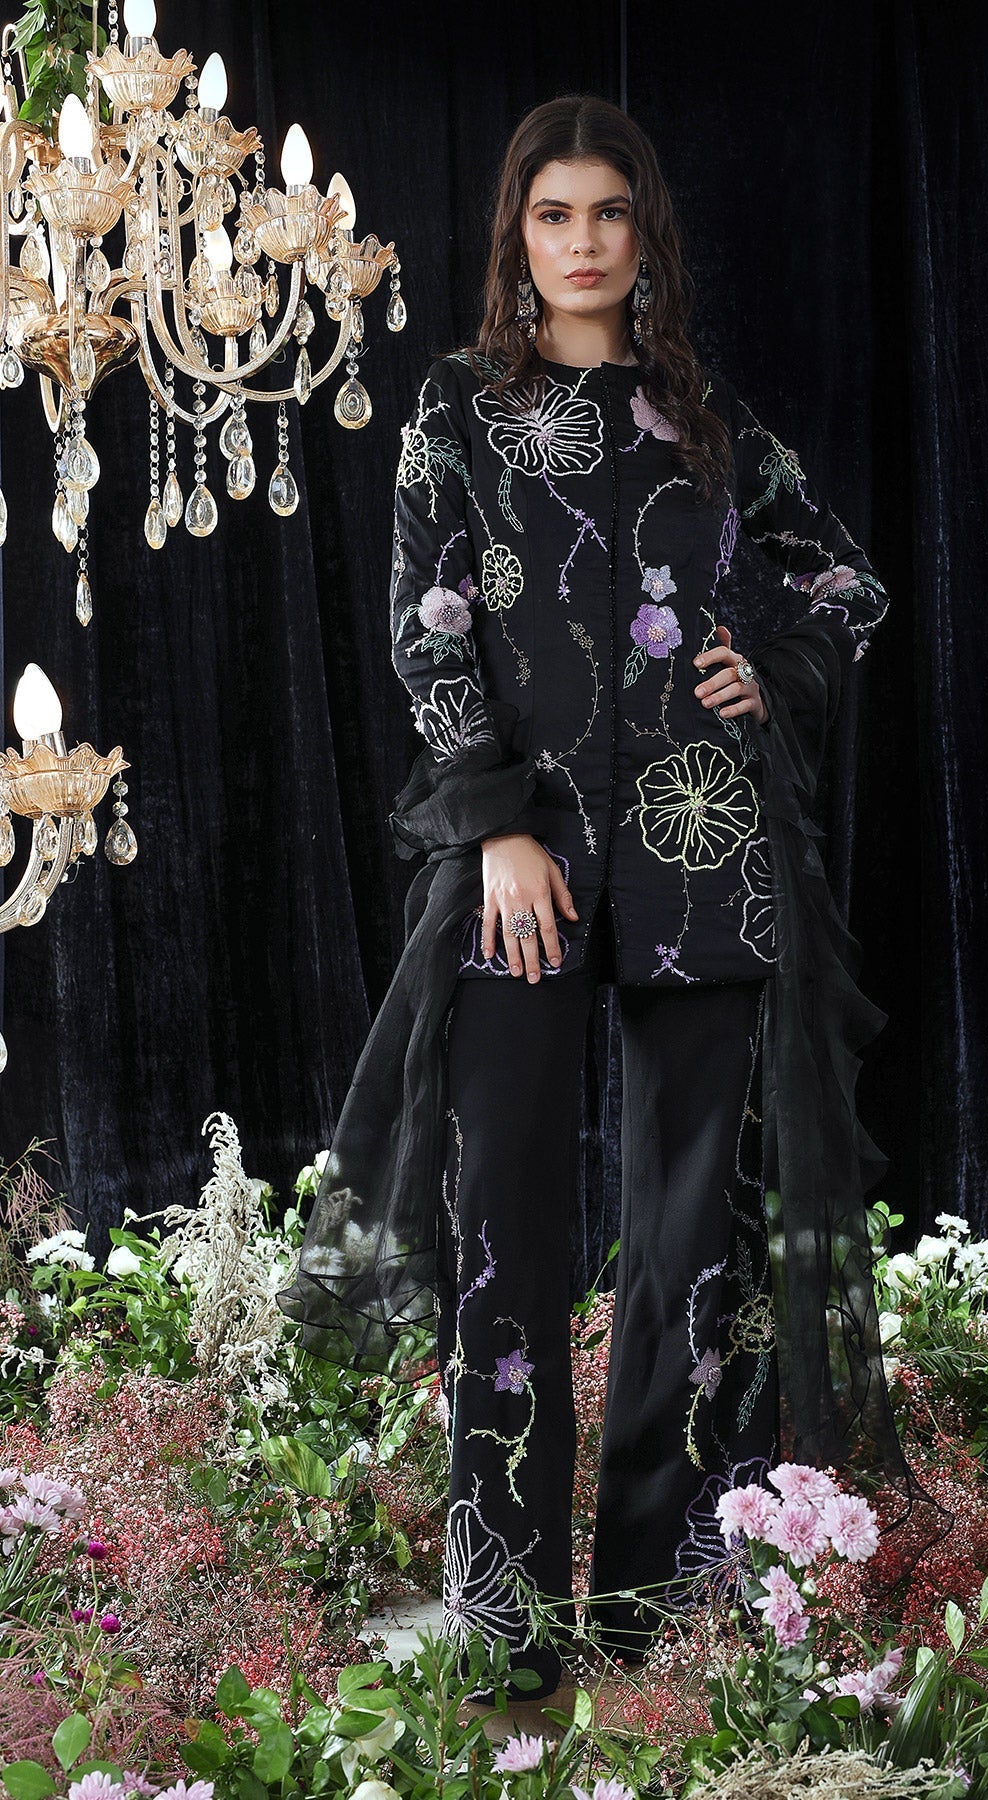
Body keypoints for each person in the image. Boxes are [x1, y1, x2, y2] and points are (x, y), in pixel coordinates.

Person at [278, 93, 950, 1706]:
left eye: (609, 213)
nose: (581, 243)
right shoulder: (458, 407)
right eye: (552, 214)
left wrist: (768, 662)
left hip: (704, 850)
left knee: (687, 1238)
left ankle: (656, 1603)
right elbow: (429, 627)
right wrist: (497, 830)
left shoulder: (706, 423)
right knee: (503, 1220)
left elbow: (847, 581)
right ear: (516, 236)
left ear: (647, 235)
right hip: (528, 863)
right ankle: (506, 1609)